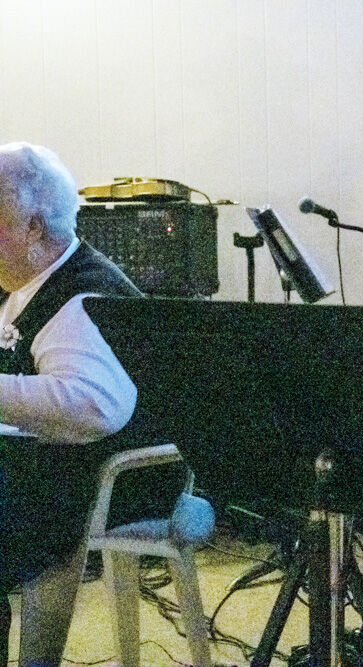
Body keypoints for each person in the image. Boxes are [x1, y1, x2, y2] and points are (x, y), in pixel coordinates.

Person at [0, 142, 141, 664]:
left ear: (33, 228)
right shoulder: (26, 280)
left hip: (110, 477)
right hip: (48, 468)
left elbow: (92, 407)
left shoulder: (84, 296)